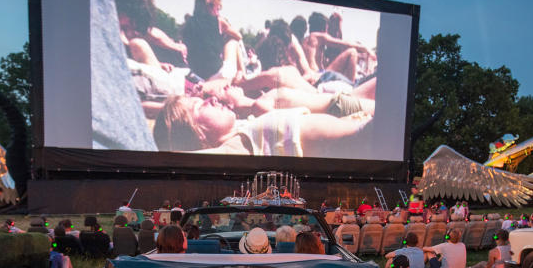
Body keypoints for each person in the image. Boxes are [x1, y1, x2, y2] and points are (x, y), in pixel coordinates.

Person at [152, 94, 372, 158]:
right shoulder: (234, 149)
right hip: (369, 138)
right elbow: (174, 156)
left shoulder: (241, 129)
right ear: (198, 136)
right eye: (199, 106)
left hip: (361, 124)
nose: (211, 99)